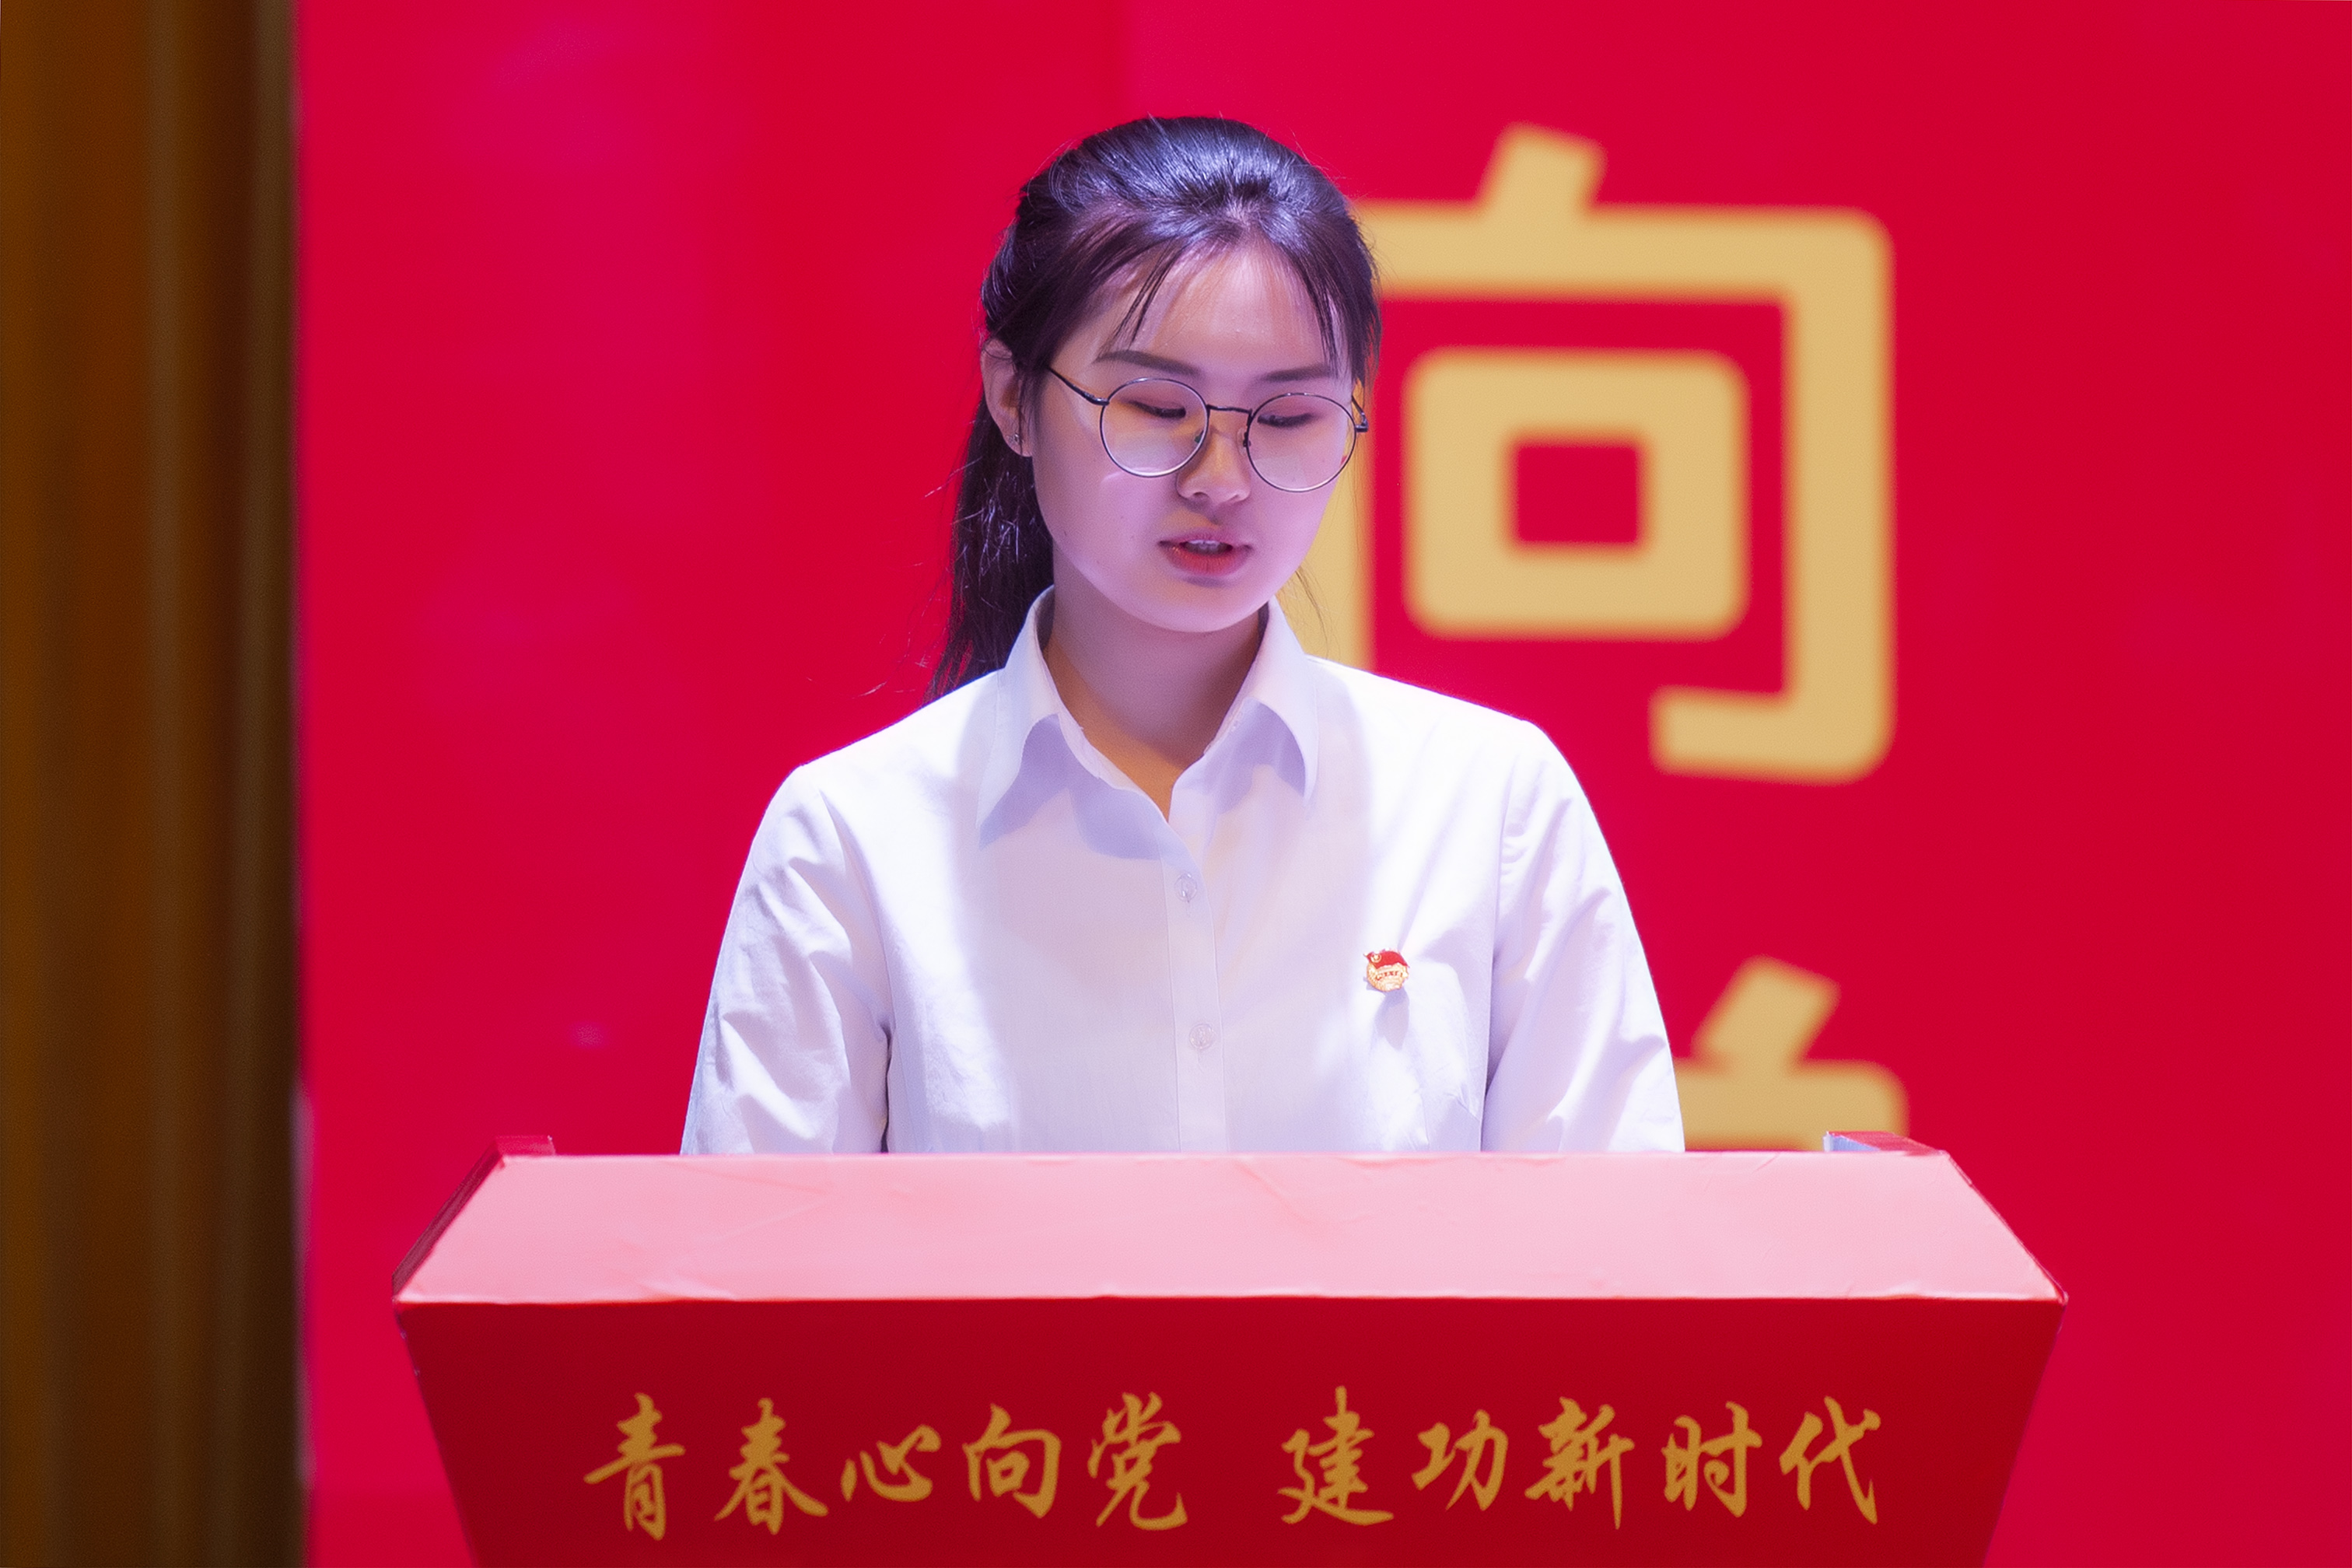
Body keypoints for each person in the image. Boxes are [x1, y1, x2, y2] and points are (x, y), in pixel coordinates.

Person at [681, 117, 1682, 1155]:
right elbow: (758, 1249)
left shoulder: (1487, 804)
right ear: (1014, 396)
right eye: (1157, 406)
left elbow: (1612, 1235)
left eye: (1288, 418)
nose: (1221, 479)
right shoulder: (853, 837)